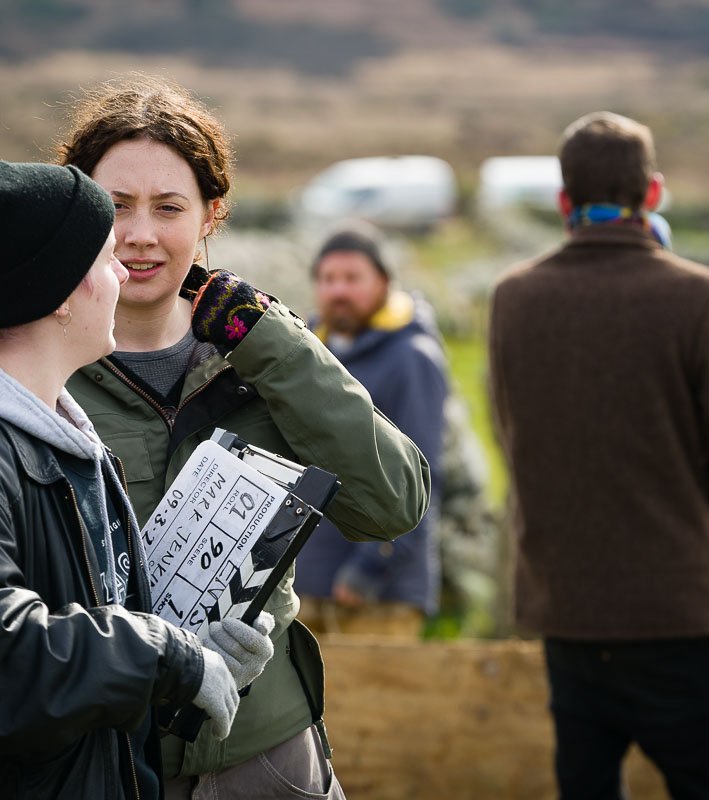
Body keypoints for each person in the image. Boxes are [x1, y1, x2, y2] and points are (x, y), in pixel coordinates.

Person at [59, 76, 430, 799]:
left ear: (211, 216)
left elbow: (390, 505)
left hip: (264, 753)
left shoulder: (262, 357)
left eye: (169, 207)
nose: (139, 234)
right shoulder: (37, 371)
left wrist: (275, 346)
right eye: (114, 206)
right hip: (93, 761)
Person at [488, 111, 709, 800]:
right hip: (672, 605)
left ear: (564, 203)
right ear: (653, 194)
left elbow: (512, 434)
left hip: (565, 607)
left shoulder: (512, 299)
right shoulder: (700, 298)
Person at [0, 160, 273, 798]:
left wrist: (195, 651)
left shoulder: (71, 441)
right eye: (103, 257)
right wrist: (168, 657)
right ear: (60, 293)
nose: (124, 270)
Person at [294, 224, 448, 636]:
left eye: (352, 278)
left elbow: (424, 475)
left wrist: (371, 566)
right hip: (308, 586)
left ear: (384, 282)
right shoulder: (308, 353)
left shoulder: (412, 358)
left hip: (379, 595)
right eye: (328, 279)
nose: (338, 291)